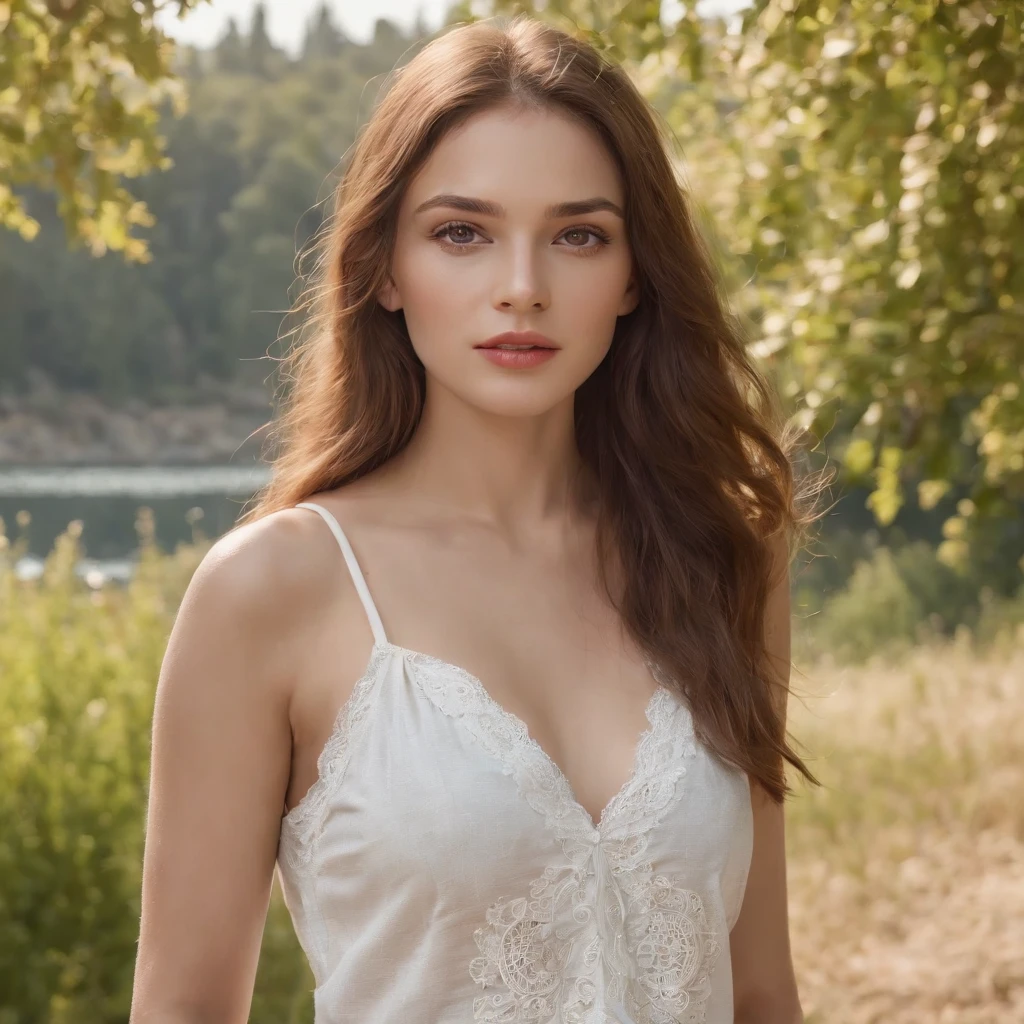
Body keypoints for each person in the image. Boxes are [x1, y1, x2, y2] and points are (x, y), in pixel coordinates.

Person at [130, 14, 822, 1024]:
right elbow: (183, 1008)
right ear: (383, 267)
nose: (521, 289)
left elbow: (760, 991)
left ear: (634, 275)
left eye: (578, 235)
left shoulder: (724, 559)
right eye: (462, 233)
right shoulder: (271, 592)